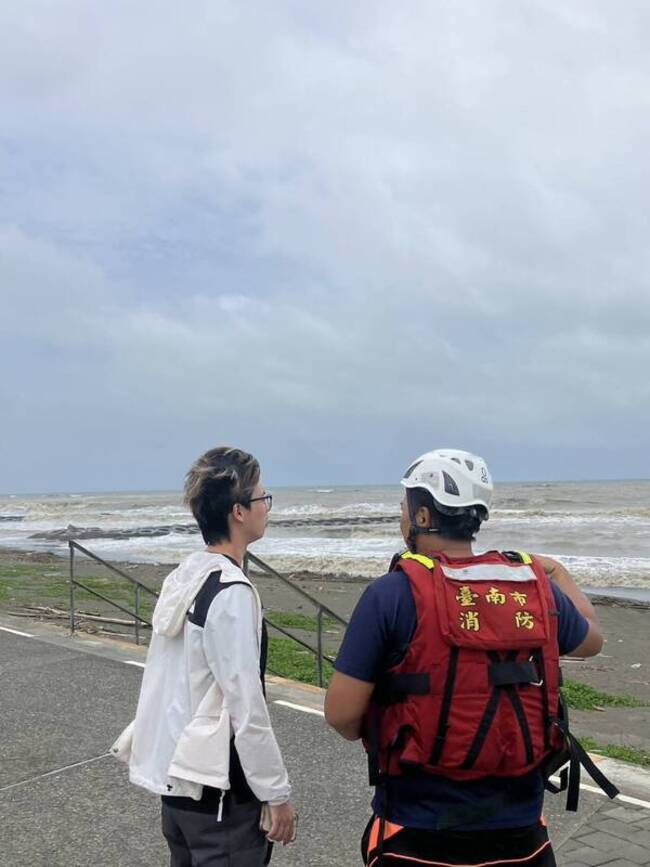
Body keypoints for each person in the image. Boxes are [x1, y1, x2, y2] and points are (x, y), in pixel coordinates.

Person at [325, 448, 617, 867]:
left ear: (423, 516)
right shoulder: (531, 587)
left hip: (417, 833)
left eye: (405, 505)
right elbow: (592, 641)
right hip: (522, 840)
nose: (402, 515)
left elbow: (340, 715)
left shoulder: (389, 595)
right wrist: (558, 575)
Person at [112, 446, 295, 866]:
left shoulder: (185, 579)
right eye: (262, 498)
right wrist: (275, 793)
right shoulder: (230, 592)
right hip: (219, 798)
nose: (267, 507)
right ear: (239, 512)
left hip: (179, 787)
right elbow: (246, 706)